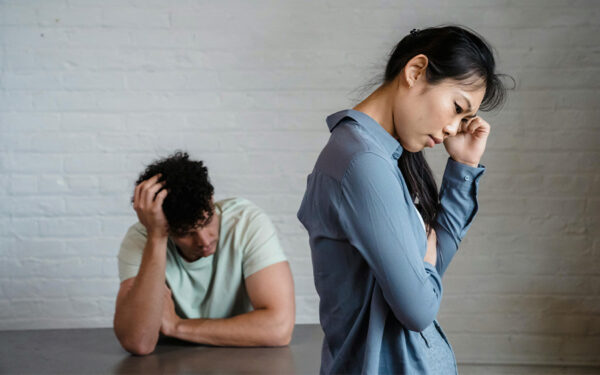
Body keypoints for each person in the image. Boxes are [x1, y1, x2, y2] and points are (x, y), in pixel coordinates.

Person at [297, 25, 512, 374]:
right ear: (415, 71)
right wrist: (424, 265)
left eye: (465, 119)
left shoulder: (383, 159)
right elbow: (418, 309)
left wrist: (463, 167)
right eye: (457, 108)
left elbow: (431, 269)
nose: (452, 130)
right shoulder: (363, 163)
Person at [114, 151, 295, 355]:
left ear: (212, 199)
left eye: (208, 221)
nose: (204, 240)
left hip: (242, 361)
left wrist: (176, 326)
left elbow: (279, 329)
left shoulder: (246, 222)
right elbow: (138, 342)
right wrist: (157, 236)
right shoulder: (142, 239)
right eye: (185, 233)